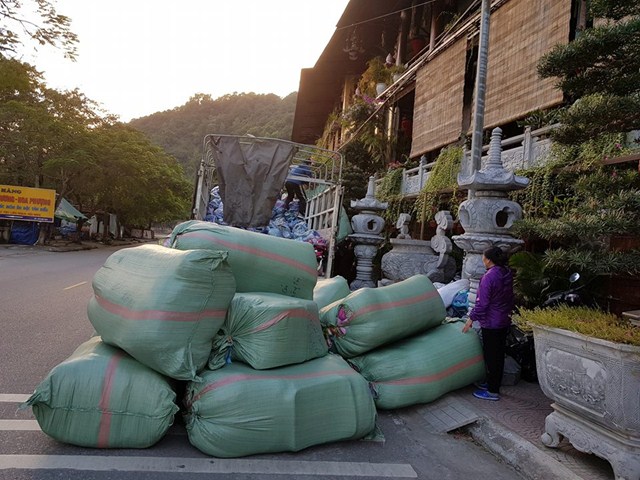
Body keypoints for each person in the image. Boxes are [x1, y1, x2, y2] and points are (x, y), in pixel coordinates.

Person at [462, 246, 514, 401]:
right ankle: (493, 384)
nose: (482, 259)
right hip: (503, 319)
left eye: (483, 257)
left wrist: (471, 319)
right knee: (498, 355)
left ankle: (492, 391)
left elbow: (482, 303)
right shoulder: (506, 273)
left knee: (491, 357)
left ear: (489, 260)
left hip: (492, 322)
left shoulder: (489, 277)